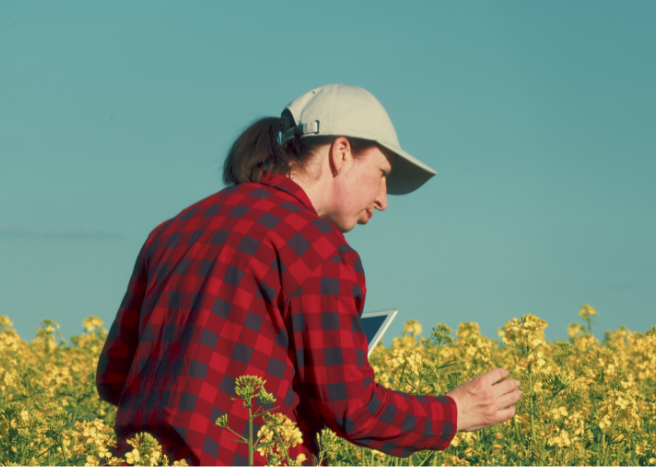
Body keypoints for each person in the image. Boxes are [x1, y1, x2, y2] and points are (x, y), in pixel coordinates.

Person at [96, 84, 522, 465]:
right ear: (341, 153)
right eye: (382, 175)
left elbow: (114, 379)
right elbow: (353, 409)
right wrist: (455, 412)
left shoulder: (172, 231)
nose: (383, 199)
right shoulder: (316, 248)